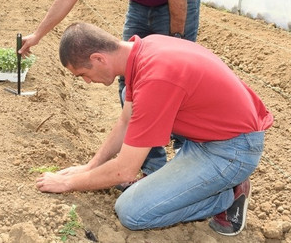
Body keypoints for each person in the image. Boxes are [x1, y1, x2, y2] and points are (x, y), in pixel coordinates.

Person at [19, 0, 200, 173]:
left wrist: (176, 41)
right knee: (128, 73)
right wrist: (38, 34)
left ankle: (185, 150)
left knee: (176, 76)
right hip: (140, 4)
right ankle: (149, 165)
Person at [35, 22, 273, 236]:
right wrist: (90, 167)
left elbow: (125, 171)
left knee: (131, 212)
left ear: (99, 59)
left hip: (231, 151)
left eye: (83, 74)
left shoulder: (155, 79)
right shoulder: (141, 51)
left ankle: (226, 195)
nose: (87, 81)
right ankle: (210, 184)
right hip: (206, 139)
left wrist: (68, 183)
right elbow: (125, 121)